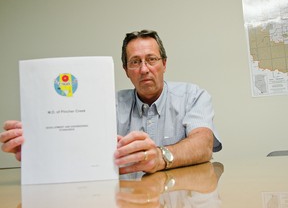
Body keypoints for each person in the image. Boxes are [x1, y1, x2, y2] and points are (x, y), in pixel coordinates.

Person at [0, 30, 222, 175]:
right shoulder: (106, 104)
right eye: (135, 62)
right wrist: (37, 150)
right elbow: (77, 151)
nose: (144, 69)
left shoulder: (193, 95)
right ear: (126, 71)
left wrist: (160, 156)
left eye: (151, 59)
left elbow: (203, 145)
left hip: (179, 198)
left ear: (164, 64)